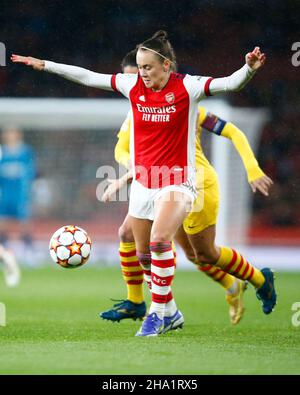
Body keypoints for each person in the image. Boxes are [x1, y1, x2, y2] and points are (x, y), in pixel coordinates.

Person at [11, 30, 276, 337]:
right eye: (139, 67)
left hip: (179, 181)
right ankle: (173, 309)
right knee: (152, 254)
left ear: (166, 65)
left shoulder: (188, 88)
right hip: (145, 184)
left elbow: (229, 83)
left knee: (161, 241)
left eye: (148, 67)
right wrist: (46, 64)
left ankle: (157, 313)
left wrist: (248, 69)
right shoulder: (133, 87)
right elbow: (88, 77)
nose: (142, 74)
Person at [100, 51, 273, 327]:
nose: (140, 82)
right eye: (131, 78)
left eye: (143, 74)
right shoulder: (134, 116)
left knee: (202, 253)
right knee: (158, 243)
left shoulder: (185, 104)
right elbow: (121, 149)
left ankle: (258, 279)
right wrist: (130, 170)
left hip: (196, 184)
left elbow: (233, 132)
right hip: (159, 184)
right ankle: (149, 304)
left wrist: (253, 170)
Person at [0, 126, 36, 247]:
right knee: (3, 218)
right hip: (5, 191)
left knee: (23, 218)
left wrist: (28, 187)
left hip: (20, 191)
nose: (9, 136)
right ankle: (3, 245)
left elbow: (31, 170)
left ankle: (28, 245)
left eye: (12, 133)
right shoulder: (2, 151)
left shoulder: (25, 151)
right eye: (7, 133)